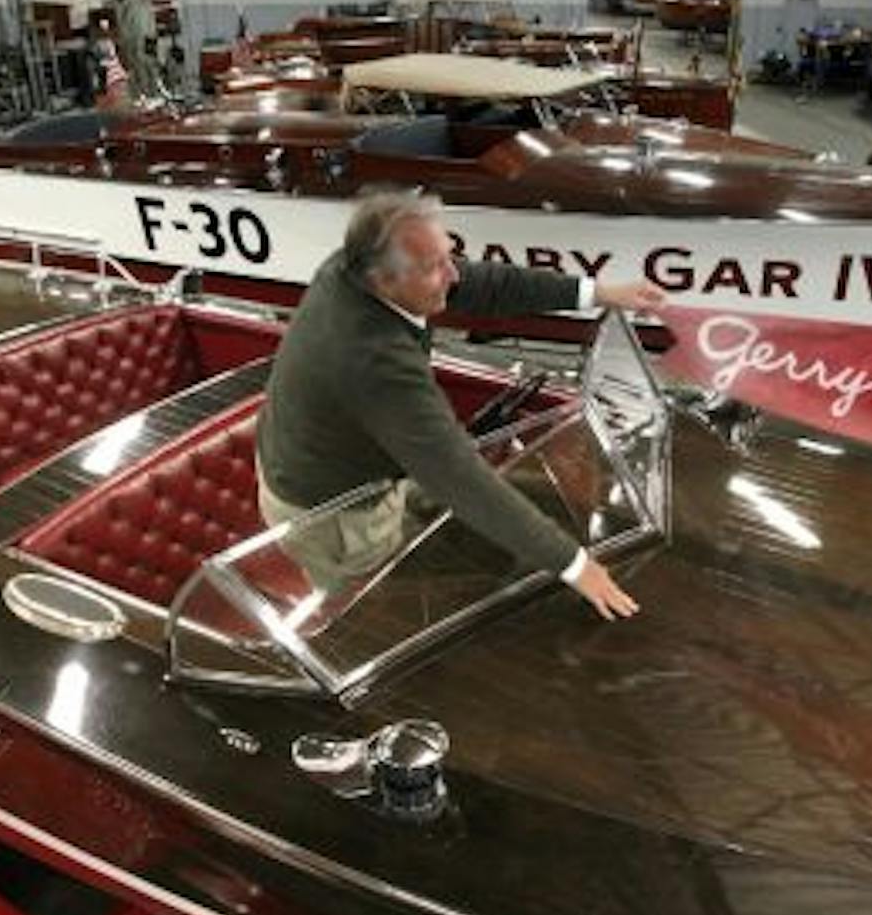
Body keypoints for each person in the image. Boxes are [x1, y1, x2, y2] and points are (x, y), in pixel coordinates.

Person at [255, 191, 665, 620]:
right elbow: (455, 472)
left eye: (449, 256)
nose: (453, 274)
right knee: (376, 612)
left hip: (352, 458)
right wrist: (574, 564)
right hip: (332, 511)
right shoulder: (372, 359)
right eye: (435, 268)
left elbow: (484, 283)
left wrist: (601, 292)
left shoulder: (358, 264)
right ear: (384, 281)